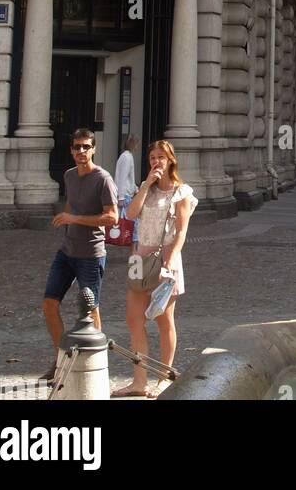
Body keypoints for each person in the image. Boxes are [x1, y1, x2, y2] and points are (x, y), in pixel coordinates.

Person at [113, 140, 197, 398]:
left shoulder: (182, 192)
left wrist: (171, 261)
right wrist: (147, 184)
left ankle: (163, 377)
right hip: (140, 259)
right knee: (134, 319)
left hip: (164, 261)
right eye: (152, 157)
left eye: (161, 157)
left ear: (171, 160)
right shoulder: (146, 188)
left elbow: (182, 231)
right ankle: (139, 380)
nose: (156, 161)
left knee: (163, 320)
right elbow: (130, 213)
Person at [41, 127, 118, 384]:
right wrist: (67, 219)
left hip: (91, 254)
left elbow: (112, 217)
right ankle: (62, 359)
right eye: (77, 147)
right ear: (71, 150)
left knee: (91, 309)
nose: (81, 152)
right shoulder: (69, 175)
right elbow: (71, 203)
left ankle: (94, 365)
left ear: (94, 149)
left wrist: (74, 218)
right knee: (49, 304)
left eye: (86, 147)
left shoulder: (103, 179)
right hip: (67, 251)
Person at [114, 134, 138, 207]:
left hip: (126, 195)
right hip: (125, 196)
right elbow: (123, 177)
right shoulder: (126, 157)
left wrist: (135, 188)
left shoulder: (126, 156)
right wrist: (121, 197)